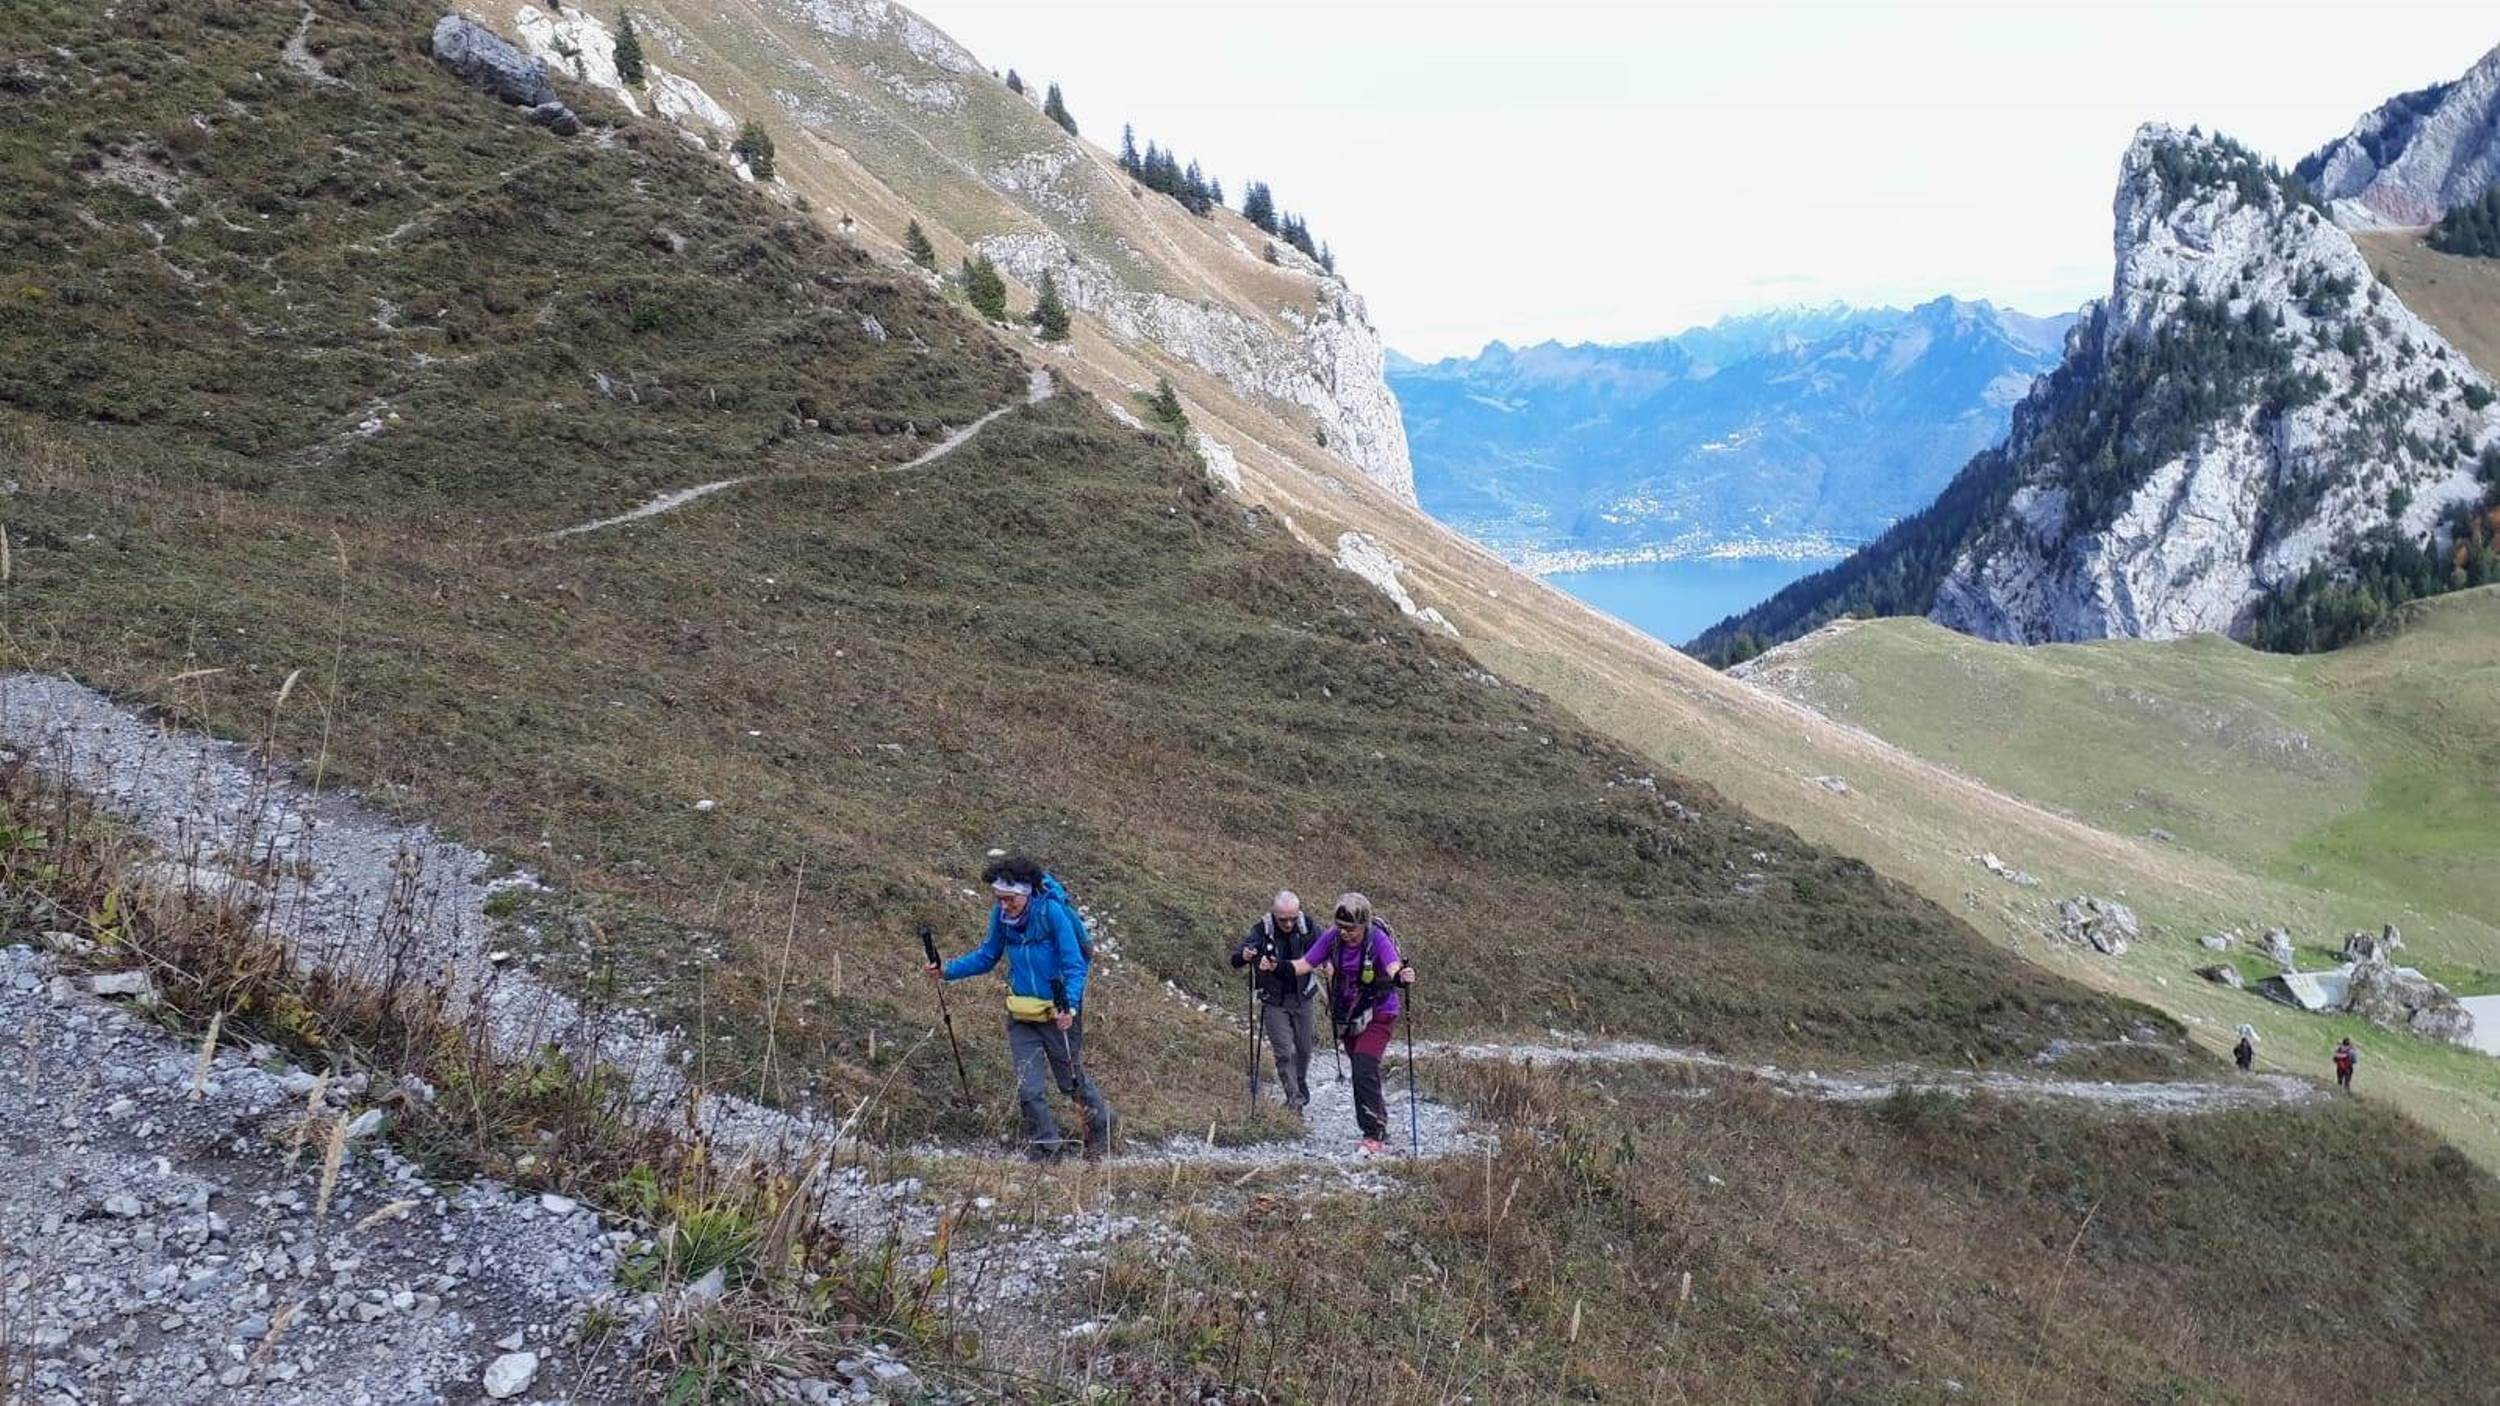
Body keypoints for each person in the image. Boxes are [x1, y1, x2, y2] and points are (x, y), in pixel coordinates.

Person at [926, 853, 1117, 1160]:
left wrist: (1069, 1007)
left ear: (1025, 894)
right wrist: (947, 970)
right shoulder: (1001, 917)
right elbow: (988, 956)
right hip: (1022, 1013)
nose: (1003, 905)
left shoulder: (1052, 913)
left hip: (1058, 1013)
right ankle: (1046, 1150)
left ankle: (1102, 1129)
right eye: (999, 899)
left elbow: (1075, 965)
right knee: (1028, 1089)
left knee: (1070, 1082)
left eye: (1009, 900)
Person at [1265, 892, 1414, 1154]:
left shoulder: (1376, 939)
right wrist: (1277, 967)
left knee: (1363, 1066)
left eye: (1350, 929)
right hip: (1348, 1015)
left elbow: (1393, 969)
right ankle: (1378, 1117)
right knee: (1361, 1069)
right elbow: (1304, 964)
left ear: (1363, 924)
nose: (1345, 933)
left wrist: (1402, 976)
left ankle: (1373, 1133)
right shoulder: (1332, 937)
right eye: (1341, 927)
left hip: (1380, 1012)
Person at [1231, 890, 1322, 1114]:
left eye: (1292, 917)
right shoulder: (1262, 929)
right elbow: (1236, 959)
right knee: (1284, 1051)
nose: (1289, 923)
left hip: (1304, 998)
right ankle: (1295, 1101)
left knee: (1304, 1050)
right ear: (1274, 914)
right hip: (1274, 1001)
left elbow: (1325, 949)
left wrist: (1328, 963)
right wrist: (1247, 956)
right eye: (1283, 919)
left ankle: (1299, 1089)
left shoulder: (1308, 926)